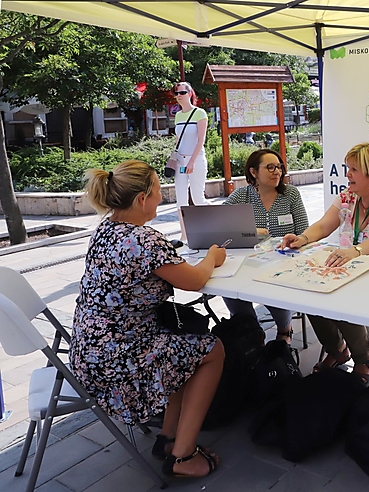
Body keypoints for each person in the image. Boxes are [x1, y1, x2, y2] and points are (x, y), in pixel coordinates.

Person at [71, 160, 227, 477]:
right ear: (142, 198)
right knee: (212, 350)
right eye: (158, 191)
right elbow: (195, 280)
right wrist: (213, 256)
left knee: (179, 347)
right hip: (117, 363)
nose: (160, 198)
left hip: (87, 353)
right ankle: (183, 457)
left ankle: (168, 439)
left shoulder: (104, 231)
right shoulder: (144, 241)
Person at [280, 143, 369, 383]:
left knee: (342, 299)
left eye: (353, 169)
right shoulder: (348, 196)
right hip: (352, 268)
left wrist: (355, 251)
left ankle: (364, 357)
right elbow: (323, 225)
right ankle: (337, 349)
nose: (347, 174)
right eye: (347, 168)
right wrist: (303, 238)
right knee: (310, 293)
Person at [223, 149, 309, 343]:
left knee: (273, 286)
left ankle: (284, 330)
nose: (276, 172)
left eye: (279, 167)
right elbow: (220, 225)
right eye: (270, 167)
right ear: (254, 172)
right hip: (250, 260)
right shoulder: (242, 196)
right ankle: (250, 330)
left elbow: (305, 231)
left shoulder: (290, 194)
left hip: (284, 260)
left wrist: (296, 239)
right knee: (228, 287)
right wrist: (251, 231)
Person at [172, 81, 209, 242]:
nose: (179, 96)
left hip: (196, 159)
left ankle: (212, 226)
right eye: (177, 93)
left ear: (190, 93)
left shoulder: (199, 113)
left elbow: (201, 140)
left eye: (182, 93)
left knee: (197, 197)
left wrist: (192, 162)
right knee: (180, 199)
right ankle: (185, 235)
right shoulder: (178, 116)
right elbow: (179, 139)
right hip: (180, 160)